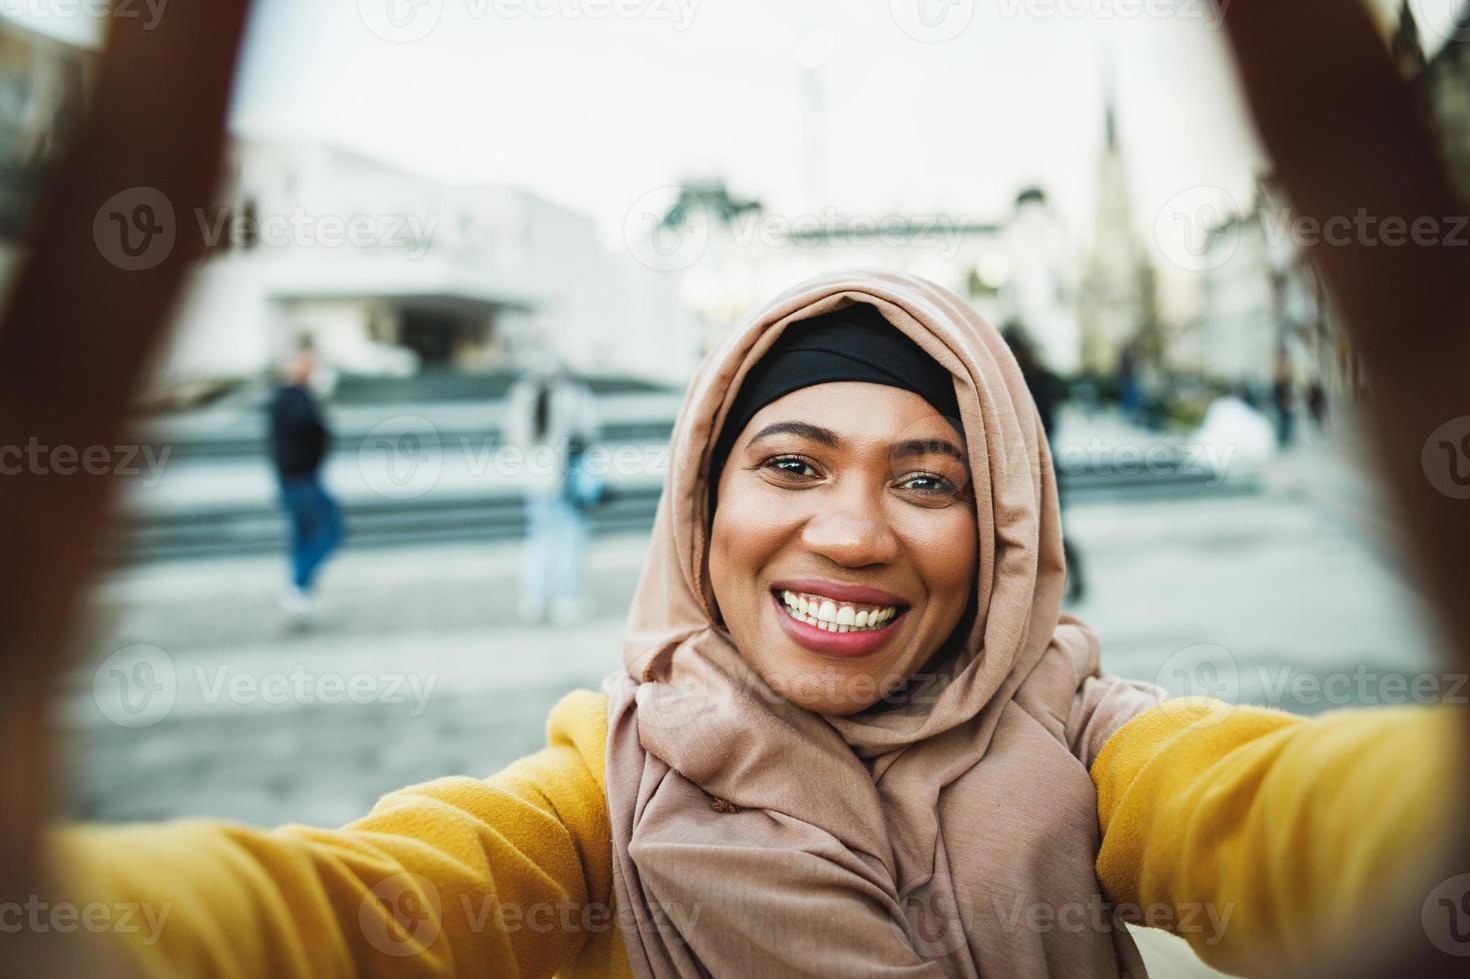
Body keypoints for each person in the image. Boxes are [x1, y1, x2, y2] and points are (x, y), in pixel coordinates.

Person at [50, 271, 1461, 977]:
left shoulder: (1093, 746)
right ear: (701, 505)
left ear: (1007, 535)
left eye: (928, 480)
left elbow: (1296, 811)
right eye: (788, 465)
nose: (848, 532)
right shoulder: (597, 799)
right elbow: (345, 909)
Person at [503, 356, 601, 625]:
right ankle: (566, 599)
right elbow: (589, 429)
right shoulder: (573, 395)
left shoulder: (522, 395)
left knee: (539, 539)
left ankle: (534, 598)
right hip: (565, 481)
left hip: (535, 481)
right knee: (569, 539)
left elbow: (514, 438)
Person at [1002, 320, 1085, 602]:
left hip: (1026, 461)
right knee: (1053, 527)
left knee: (1042, 528)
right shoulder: (1041, 377)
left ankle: (1059, 581)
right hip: (1041, 459)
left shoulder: (1010, 380)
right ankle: (1070, 580)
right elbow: (1052, 421)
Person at [267, 338, 343, 624]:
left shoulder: (291, 396)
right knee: (328, 531)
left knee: (306, 535)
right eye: (309, 363)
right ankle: (297, 588)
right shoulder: (292, 397)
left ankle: (298, 591)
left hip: (299, 477)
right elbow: (310, 429)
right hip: (301, 479)